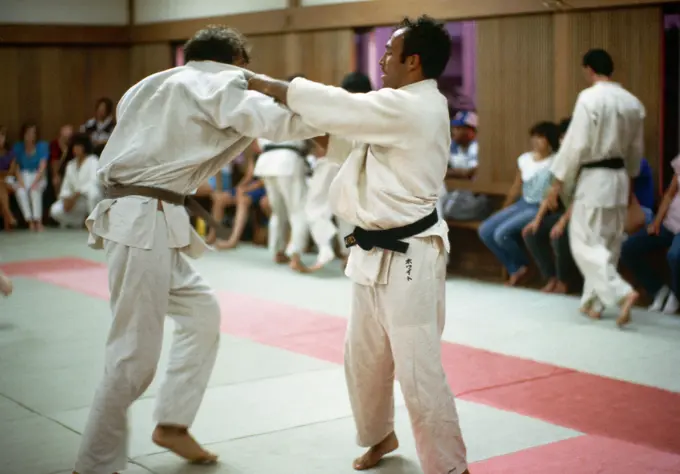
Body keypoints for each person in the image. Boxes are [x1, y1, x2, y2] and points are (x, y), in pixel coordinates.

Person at [73, 26, 320, 474]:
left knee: (201, 312)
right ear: (237, 57)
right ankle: (93, 465)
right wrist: (344, 113)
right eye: (246, 62)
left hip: (148, 217)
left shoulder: (149, 84)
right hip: (142, 219)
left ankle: (172, 422)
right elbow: (281, 121)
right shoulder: (221, 82)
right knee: (133, 354)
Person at [249, 16, 469, 474]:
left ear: (413, 61)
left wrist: (266, 84)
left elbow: (342, 107)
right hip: (368, 251)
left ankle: (449, 466)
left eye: (390, 51)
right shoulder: (398, 107)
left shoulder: (416, 105)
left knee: (418, 369)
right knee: (363, 357)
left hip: (411, 255)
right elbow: (346, 140)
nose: (382, 59)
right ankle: (379, 434)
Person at [546, 48, 644, 326]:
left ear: (588, 69)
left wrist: (557, 183)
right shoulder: (632, 102)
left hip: (596, 178)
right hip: (620, 177)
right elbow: (636, 150)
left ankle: (622, 292)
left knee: (584, 242)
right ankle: (594, 303)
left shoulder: (589, 98)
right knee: (608, 244)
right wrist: (630, 184)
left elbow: (575, 144)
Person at [301, 71, 372, 273]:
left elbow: (321, 138)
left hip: (336, 165)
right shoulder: (371, 111)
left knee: (316, 210)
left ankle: (329, 249)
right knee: (348, 218)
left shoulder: (340, 108)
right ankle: (348, 253)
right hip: (356, 168)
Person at [478, 121, 559, 286]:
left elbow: (552, 192)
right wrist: (504, 208)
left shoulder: (556, 161)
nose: (536, 141)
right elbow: (516, 187)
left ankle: (524, 267)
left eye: (541, 137)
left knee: (502, 234)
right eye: (534, 137)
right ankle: (516, 267)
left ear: (550, 140)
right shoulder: (525, 159)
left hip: (539, 207)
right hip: (523, 203)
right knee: (485, 230)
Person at [252, 74, 312, 269]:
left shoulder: (268, 107)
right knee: (298, 209)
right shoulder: (299, 106)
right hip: (287, 160)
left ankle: (277, 251)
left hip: (266, 162)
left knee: (278, 212)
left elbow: (256, 143)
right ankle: (295, 254)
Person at [620, 154, 680, 314]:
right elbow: (669, 195)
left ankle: (676, 294)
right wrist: (657, 222)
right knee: (628, 248)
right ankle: (658, 289)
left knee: (675, 256)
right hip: (669, 223)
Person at [522, 118, 576, 293]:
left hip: (582, 214)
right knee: (531, 233)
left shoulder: (584, 162)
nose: (564, 141)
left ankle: (564, 281)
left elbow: (581, 199)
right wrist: (536, 220)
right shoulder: (560, 161)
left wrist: (562, 222)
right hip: (564, 213)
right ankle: (550, 277)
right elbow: (550, 193)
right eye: (561, 137)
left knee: (559, 235)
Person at [49, 133, 100, 228]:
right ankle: (82, 222)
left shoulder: (93, 161)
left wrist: (77, 194)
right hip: (76, 202)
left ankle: (93, 222)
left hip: (88, 199)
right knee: (54, 210)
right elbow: (66, 186)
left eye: (78, 146)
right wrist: (66, 199)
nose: (75, 149)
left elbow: (94, 182)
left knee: (93, 193)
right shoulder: (70, 165)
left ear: (85, 147)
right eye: (74, 146)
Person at [12, 122, 49, 231]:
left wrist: (34, 183)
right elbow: (16, 167)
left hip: (38, 175)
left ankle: (38, 221)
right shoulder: (18, 147)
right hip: (23, 175)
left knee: (34, 190)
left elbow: (42, 166)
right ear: (23, 134)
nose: (30, 135)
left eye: (33, 133)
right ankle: (29, 221)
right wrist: (21, 183)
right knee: (20, 191)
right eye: (28, 133)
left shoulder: (42, 146)